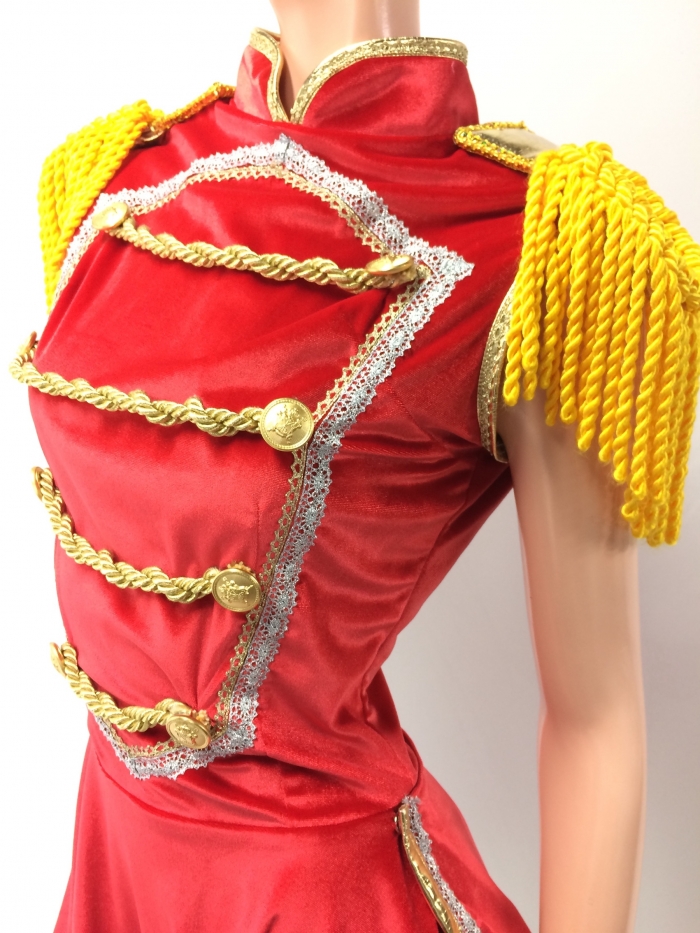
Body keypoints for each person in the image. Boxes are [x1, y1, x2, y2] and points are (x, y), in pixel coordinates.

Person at [10, 0, 698, 930]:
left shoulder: (542, 246)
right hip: (118, 872)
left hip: (322, 898)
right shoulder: (115, 179)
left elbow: (596, 718)